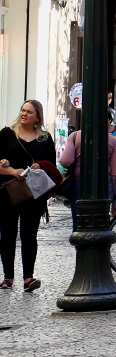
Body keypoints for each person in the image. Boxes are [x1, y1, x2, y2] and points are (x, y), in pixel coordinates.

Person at [0, 101, 57, 292]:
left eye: (29, 112)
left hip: (33, 193)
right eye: (23, 110)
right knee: (7, 234)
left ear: (37, 117)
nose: (24, 114)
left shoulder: (44, 138)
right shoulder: (7, 134)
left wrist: (40, 165)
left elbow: (52, 165)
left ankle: (28, 278)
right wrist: (10, 170)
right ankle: (8, 277)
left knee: (29, 235)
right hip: (8, 191)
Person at [60, 118, 116, 230]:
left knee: (79, 225)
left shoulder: (75, 136)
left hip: (79, 184)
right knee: (101, 224)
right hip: (105, 185)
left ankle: (81, 246)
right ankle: (102, 245)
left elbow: (65, 161)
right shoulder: (111, 140)